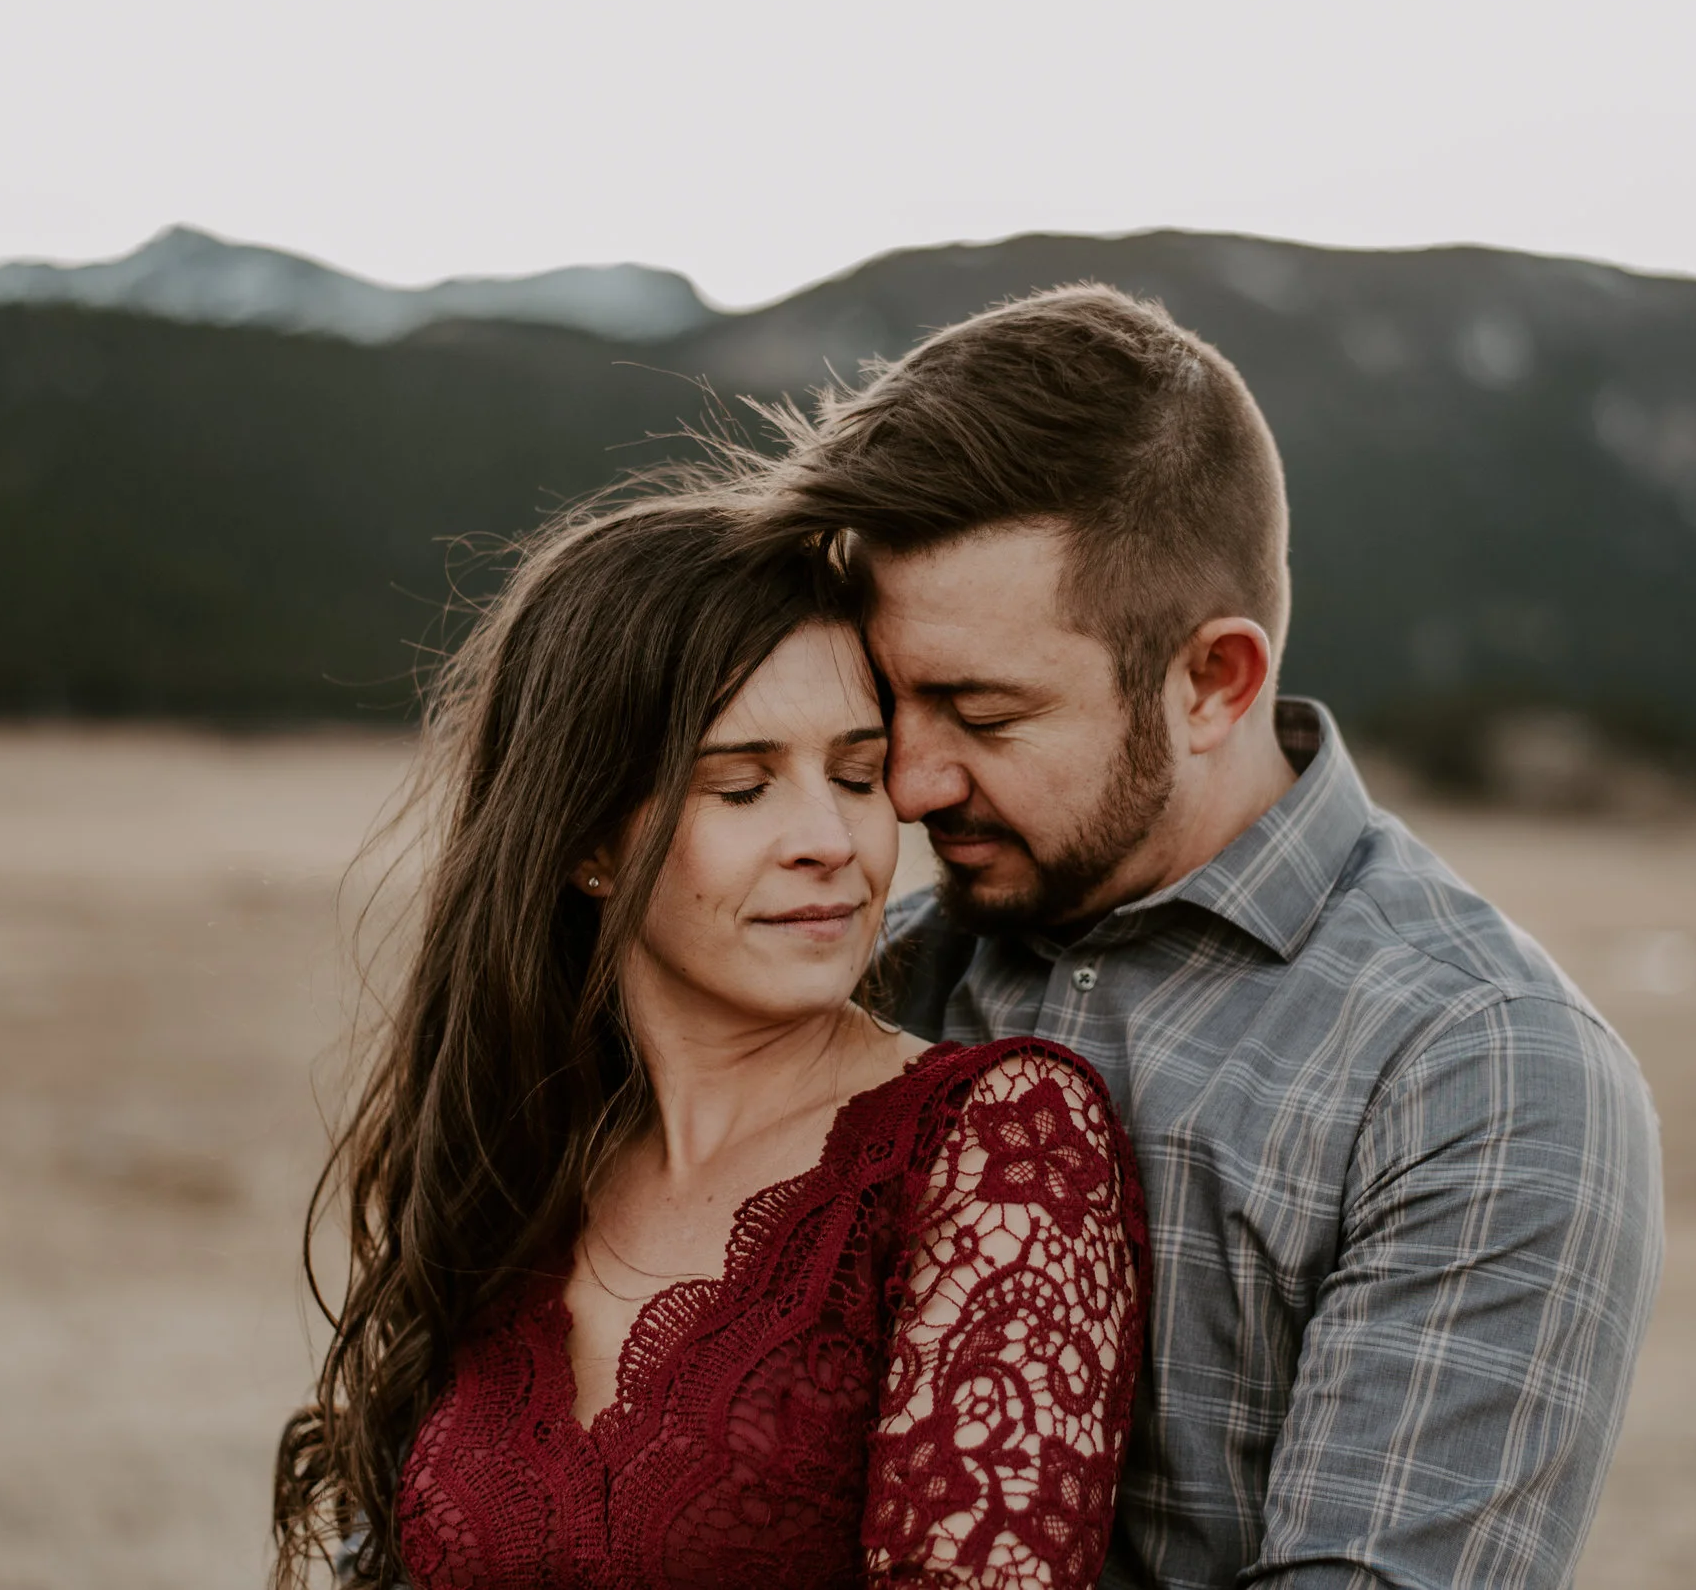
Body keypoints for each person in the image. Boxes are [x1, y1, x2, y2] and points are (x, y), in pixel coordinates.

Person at [752, 286, 1665, 1590]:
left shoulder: (1476, 1067)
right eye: (891, 702)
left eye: (982, 712)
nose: (908, 785)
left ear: (1212, 682)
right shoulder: (877, 968)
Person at [272, 490, 1148, 1590]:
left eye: (856, 775)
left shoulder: (995, 1146)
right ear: (589, 840)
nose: (830, 842)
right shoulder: (520, 1154)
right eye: (741, 786)